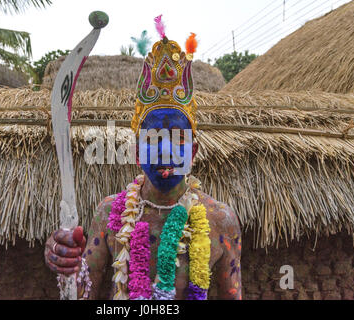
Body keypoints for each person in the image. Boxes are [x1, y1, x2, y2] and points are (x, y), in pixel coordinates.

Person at [44, 18, 241, 300]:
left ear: (194, 152)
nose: (165, 149)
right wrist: (66, 266)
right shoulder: (110, 214)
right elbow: (83, 293)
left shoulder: (221, 221)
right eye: (152, 138)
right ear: (137, 153)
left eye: (177, 137)